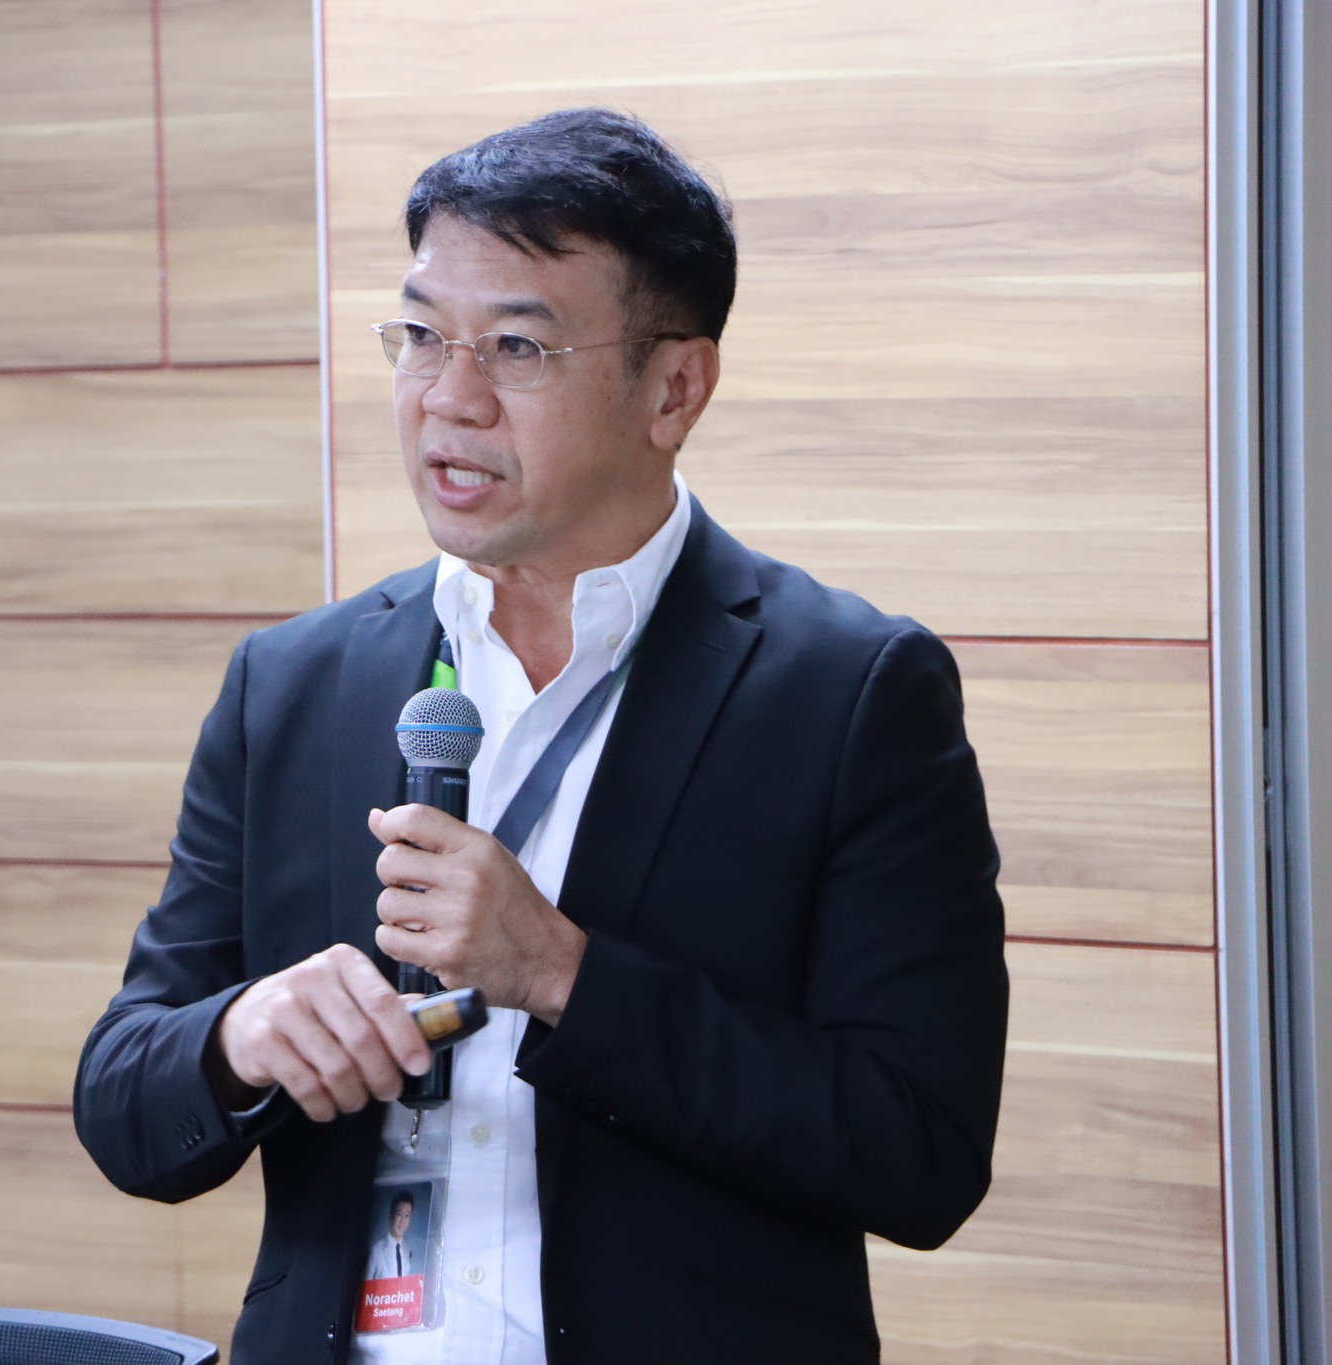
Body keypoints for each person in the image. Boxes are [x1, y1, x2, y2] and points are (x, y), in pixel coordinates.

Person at [74, 107, 1007, 1365]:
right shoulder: (292, 683)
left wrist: (565, 976)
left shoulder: (845, 693)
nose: (445, 399)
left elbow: (915, 1151)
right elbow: (123, 1101)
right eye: (419, 335)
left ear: (673, 389)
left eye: (515, 347)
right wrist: (239, 1038)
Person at [364, 1192, 418, 1281]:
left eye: (407, 1216)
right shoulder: (376, 1251)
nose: (402, 1221)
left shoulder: (407, 1251)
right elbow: (365, 1285)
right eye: (399, 1214)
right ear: (391, 1215)